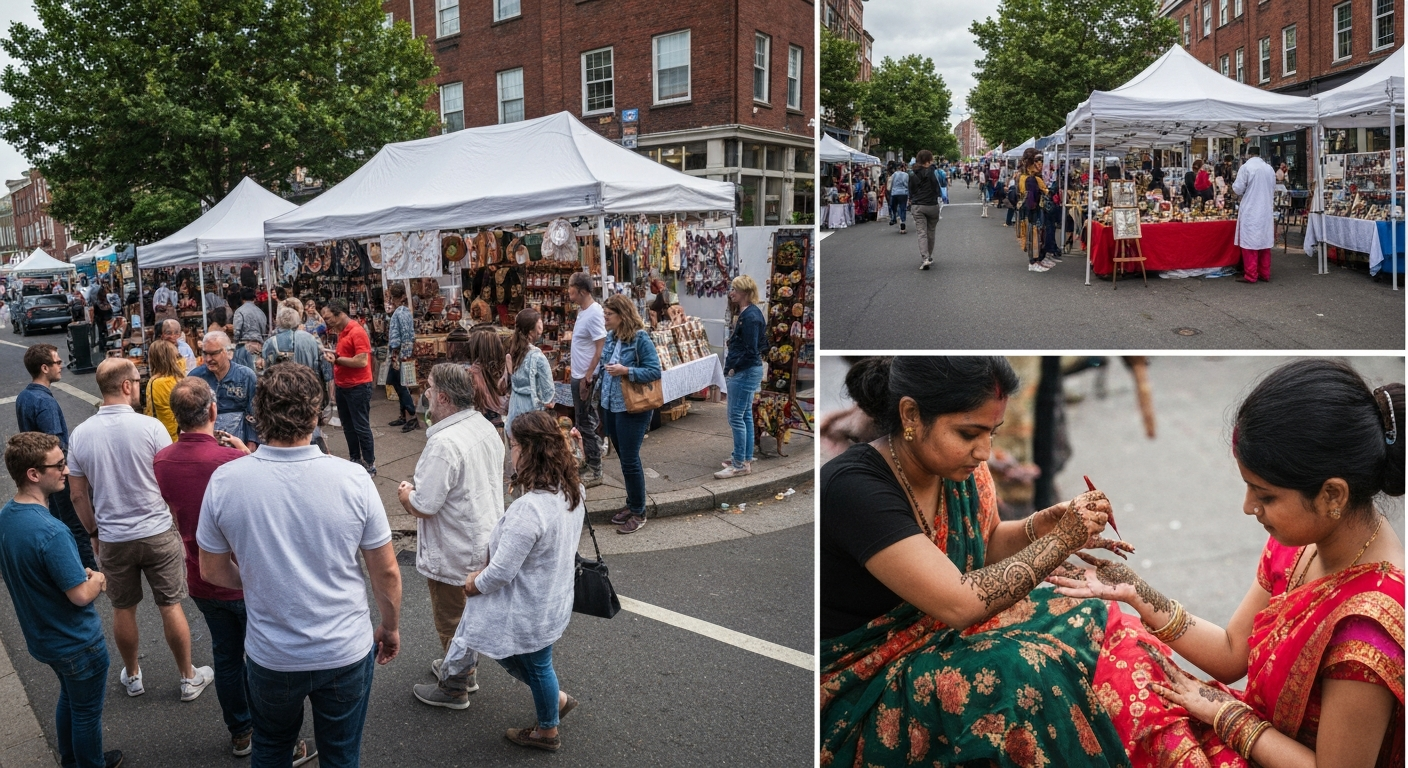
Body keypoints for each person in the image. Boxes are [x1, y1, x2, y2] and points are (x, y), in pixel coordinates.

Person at [1049, 359, 1405, 768]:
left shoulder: (1371, 621)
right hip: (1247, 732)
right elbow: (1233, 652)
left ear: (1333, 495)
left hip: (1255, 744)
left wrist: (1226, 715)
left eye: (1265, 496)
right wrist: (1135, 590)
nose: (1248, 507)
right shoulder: (1302, 543)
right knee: (1104, 641)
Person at [820, 356, 1130, 766]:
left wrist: (1044, 525)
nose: (984, 451)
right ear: (911, 414)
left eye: (992, 432)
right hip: (868, 679)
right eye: (970, 433)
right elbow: (960, 603)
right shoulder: (854, 489)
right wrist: (1059, 544)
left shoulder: (959, 467)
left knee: (1089, 613)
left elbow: (985, 545)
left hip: (939, 635)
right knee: (1016, 672)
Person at [197, 364, 400, 767]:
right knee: (341, 753)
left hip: (272, 653)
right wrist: (390, 627)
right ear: (317, 413)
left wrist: (259, 581)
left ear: (259, 413)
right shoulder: (352, 478)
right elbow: (386, 571)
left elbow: (212, 571)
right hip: (344, 648)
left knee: (271, 747)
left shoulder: (226, 481)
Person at [152, 378, 292, 759]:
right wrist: (244, 451)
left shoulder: (162, 460)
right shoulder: (232, 460)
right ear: (213, 411)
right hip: (242, 576)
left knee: (226, 656)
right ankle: (275, 734)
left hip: (199, 575)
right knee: (264, 659)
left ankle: (241, 732)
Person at [67, 358, 215, 702]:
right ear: (126, 385)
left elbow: (77, 493)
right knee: (170, 604)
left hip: (114, 537)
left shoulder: (81, 434)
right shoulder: (151, 427)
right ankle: (187, 677)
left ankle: (133, 676)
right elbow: (168, 479)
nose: (139, 384)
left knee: (123, 608)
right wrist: (177, 526)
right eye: (137, 379)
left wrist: (93, 532)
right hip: (156, 529)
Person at [441, 410, 585, 752]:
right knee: (529, 662)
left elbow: (501, 572)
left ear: (529, 450)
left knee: (534, 664)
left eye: (514, 445)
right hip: (551, 597)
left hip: (530, 606)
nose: (511, 452)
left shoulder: (530, 510)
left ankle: (547, 729)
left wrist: (472, 583)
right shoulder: (571, 490)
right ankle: (554, 699)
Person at [0, 433, 122, 768]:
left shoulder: (7, 517)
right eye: (59, 465)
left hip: (44, 638)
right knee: (86, 714)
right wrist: (97, 579)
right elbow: (80, 595)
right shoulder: (52, 532)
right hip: (76, 642)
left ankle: (71, 760)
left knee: (70, 698)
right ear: (33, 474)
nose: (66, 470)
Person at [399, 363, 506, 710]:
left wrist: (405, 494)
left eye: (429, 387)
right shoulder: (484, 426)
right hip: (484, 538)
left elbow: (425, 504)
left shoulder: (444, 443)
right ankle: (461, 668)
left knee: (451, 618)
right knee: (468, 616)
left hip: (455, 546)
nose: (425, 392)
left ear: (443, 397)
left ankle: (455, 686)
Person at [16, 344, 96, 570]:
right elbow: (55, 443)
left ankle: (64, 567)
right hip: (54, 470)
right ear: (44, 368)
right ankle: (89, 572)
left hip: (39, 471)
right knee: (76, 524)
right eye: (57, 362)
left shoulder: (24, 396)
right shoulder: (46, 402)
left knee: (57, 520)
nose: (61, 365)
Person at [596, 295, 662, 534]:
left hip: (632, 407)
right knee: (624, 458)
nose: (604, 318)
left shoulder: (640, 338)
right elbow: (604, 367)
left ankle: (639, 511)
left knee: (630, 459)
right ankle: (632, 503)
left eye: (608, 315)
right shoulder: (612, 337)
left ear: (622, 316)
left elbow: (655, 370)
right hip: (611, 406)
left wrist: (626, 371)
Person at [716, 275, 767, 480]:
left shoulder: (750, 316)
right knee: (744, 414)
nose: (731, 293)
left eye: (734, 289)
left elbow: (751, 348)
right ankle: (744, 457)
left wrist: (733, 368)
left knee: (736, 416)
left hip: (744, 371)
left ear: (744, 292)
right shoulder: (749, 313)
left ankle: (739, 464)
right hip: (748, 369)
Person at [321, 298, 377, 476]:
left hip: (358, 386)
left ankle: (369, 463)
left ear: (339, 315)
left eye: (329, 318)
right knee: (348, 425)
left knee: (361, 426)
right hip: (343, 385)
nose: (326, 321)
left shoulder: (356, 331)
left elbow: (361, 361)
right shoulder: (342, 331)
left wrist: (336, 359)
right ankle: (355, 459)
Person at [567, 272, 606, 487]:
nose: (569, 295)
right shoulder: (584, 311)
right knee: (583, 420)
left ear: (582, 292)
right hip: (580, 374)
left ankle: (595, 468)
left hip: (585, 376)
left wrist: (589, 375)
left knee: (585, 421)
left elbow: (600, 347)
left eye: (572, 291)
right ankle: (591, 460)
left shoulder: (593, 314)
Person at [190, 330, 259, 449]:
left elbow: (253, 412)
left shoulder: (246, 376)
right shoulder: (195, 378)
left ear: (228, 353)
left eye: (213, 354)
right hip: (206, 443)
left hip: (239, 442)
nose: (208, 359)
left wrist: (252, 441)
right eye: (205, 353)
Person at [506, 308, 555, 465]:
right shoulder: (537, 356)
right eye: (539, 325)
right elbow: (548, 392)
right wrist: (548, 402)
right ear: (532, 330)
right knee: (533, 456)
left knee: (517, 449)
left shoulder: (513, 351)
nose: (541, 328)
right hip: (532, 411)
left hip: (514, 409)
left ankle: (518, 481)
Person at [1232, 145, 1277, 284]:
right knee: (1264, 243)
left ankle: (1251, 274)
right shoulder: (1269, 169)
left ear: (1249, 154)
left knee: (1250, 243)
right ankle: (1265, 273)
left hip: (1251, 209)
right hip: (1265, 209)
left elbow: (1238, 189)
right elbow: (1273, 187)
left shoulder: (1246, 167)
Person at [385, 283, 418, 433]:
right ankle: (404, 415)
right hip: (397, 352)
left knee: (401, 384)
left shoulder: (402, 312)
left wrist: (403, 355)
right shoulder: (400, 311)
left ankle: (412, 415)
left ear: (393, 296)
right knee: (396, 382)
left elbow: (407, 336)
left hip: (400, 353)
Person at [144, 340, 185, 442]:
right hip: (182, 434)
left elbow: (151, 411)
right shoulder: (181, 379)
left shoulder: (155, 383)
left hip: (164, 436)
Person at [909, 150, 941, 271]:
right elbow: (939, 186)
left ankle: (925, 258)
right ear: (929, 160)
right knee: (931, 231)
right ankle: (929, 256)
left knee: (921, 232)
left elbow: (911, 189)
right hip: (932, 205)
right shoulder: (934, 171)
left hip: (918, 205)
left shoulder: (912, 173)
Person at [232, 286, 267, 371]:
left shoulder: (239, 311)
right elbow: (264, 330)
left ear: (242, 299)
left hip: (244, 347)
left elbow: (237, 331)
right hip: (259, 346)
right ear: (254, 299)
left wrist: (235, 342)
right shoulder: (260, 312)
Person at [888, 164, 909, 234]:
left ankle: (895, 217)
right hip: (903, 193)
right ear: (903, 168)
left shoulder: (893, 175)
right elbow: (907, 184)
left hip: (894, 193)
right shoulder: (906, 175)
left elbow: (889, 185)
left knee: (894, 207)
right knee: (903, 208)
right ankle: (902, 223)